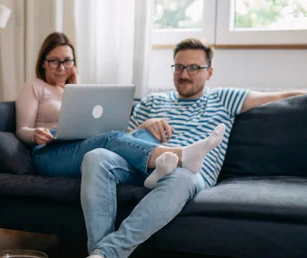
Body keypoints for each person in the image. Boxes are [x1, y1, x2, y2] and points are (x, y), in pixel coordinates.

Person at [76, 38, 306, 258]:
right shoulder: (153, 102)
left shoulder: (225, 98)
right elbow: (121, 138)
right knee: (96, 156)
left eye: (193, 68)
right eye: (179, 67)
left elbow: (283, 96)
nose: (184, 74)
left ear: (209, 71)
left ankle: (104, 257)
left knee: (181, 176)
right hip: (146, 164)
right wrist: (143, 126)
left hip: (190, 173)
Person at [16, 32, 227, 190]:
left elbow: (87, 126)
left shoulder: (75, 89)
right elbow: (20, 129)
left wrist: (77, 85)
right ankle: (182, 156)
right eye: (54, 61)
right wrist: (34, 134)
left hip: (77, 147)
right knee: (110, 139)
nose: (62, 68)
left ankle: (158, 171)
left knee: (138, 134)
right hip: (49, 153)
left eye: (67, 61)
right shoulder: (34, 86)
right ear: (43, 63)